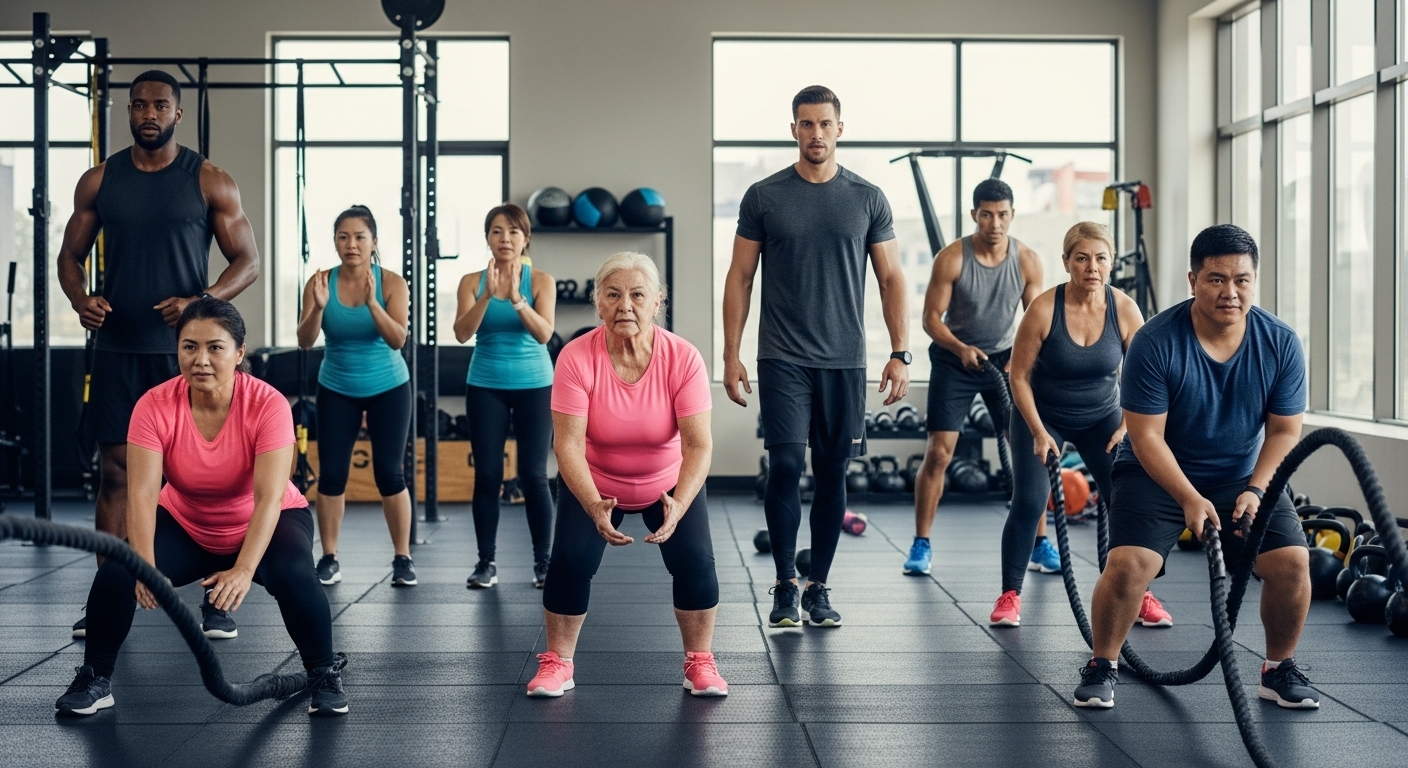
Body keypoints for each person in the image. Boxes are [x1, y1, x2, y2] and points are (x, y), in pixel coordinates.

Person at [55, 299, 347, 717]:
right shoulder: (154, 405)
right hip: (187, 520)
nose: (201, 360)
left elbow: (268, 497)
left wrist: (245, 569)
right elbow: (140, 493)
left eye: (215, 347)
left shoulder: (268, 405)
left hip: (267, 519)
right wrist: (146, 564)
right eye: (189, 347)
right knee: (118, 571)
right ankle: (95, 678)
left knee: (293, 574)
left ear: (239, 353)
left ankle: (322, 673)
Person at [1073, 224, 1317, 710]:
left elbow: (1286, 430)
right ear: (1193, 280)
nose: (1230, 292)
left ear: (1254, 280)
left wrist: (1256, 488)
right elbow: (1145, 436)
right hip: (1155, 473)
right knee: (1129, 566)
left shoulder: (1281, 343)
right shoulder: (1155, 341)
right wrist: (1187, 497)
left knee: (1292, 563)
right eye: (1216, 279)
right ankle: (1104, 662)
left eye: (1242, 280)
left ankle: (1278, 669)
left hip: (1240, 476)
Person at [57, 69, 260, 638]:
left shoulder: (209, 180)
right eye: (140, 105)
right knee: (116, 476)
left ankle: (217, 601)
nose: (150, 114)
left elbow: (248, 261)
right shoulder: (100, 181)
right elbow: (69, 256)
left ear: (178, 113)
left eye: (161, 105)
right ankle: (109, 599)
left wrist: (203, 299)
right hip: (118, 347)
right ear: (128, 111)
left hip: (187, 353)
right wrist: (81, 299)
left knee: (214, 478)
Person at [721, 85, 909, 629]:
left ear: (840, 129)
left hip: (844, 359)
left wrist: (899, 352)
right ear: (794, 130)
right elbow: (740, 275)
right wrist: (731, 355)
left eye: (825, 124)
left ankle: (818, 588)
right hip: (781, 355)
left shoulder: (867, 197)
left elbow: (891, 276)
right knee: (784, 465)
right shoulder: (763, 195)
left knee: (832, 473)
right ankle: (784, 584)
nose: (816, 133)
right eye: (806, 124)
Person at [527, 252, 726, 698]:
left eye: (638, 295)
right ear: (598, 303)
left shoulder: (684, 358)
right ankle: (558, 662)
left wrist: (680, 502)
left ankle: (700, 661)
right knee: (571, 561)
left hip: (669, 479)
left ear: (657, 302)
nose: (625, 306)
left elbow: (698, 444)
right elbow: (568, 445)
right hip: (595, 480)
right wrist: (592, 502)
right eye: (613, 295)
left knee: (695, 560)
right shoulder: (576, 359)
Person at [991, 222, 1171, 629]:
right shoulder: (1043, 309)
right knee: (1031, 500)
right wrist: (1038, 431)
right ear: (1067, 262)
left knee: (1126, 501)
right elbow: (1018, 377)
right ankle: (1009, 594)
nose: (1093, 266)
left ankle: (1140, 593)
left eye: (1101, 258)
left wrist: (1127, 426)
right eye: (1083, 258)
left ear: (1111, 263)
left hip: (1102, 419)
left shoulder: (1124, 309)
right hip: (1041, 415)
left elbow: (1145, 377)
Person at [904, 179, 1042, 577]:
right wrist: (961, 348)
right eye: (986, 214)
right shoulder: (952, 258)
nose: (994, 223)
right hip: (954, 358)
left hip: (1004, 360)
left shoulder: (1027, 260)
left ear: (1012, 215)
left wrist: (1020, 358)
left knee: (1029, 455)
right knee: (940, 453)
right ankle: (921, 544)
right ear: (974, 215)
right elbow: (931, 320)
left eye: (1002, 215)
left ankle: (1042, 543)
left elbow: (1038, 321)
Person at [296, 205, 416, 587]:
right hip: (337, 387)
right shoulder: (320, 282)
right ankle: (329, 557)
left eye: (360, 237)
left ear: (373, 242)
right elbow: (304, 340)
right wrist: (316, 308)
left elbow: (398, 339)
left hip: (389, 387)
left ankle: (403, 558)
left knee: (389, 474)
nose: (351, 244)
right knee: (331, 475)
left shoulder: (393, 283)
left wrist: (373, 303)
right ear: (335, 241)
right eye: (343, 237)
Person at [453, 203, 557, 589]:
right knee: (488, 476)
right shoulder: (470, 281)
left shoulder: (541, 281)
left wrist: (516, 298)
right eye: (497, 232)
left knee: (533, 475)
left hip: (535, 385)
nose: (505, 239)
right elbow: (463, 333)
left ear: (525, 238)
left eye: (513, 232)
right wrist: (487, 295)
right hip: (485, 385)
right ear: (487, 239)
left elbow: (545, 334)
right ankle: (485, 563)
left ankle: (543, 563)